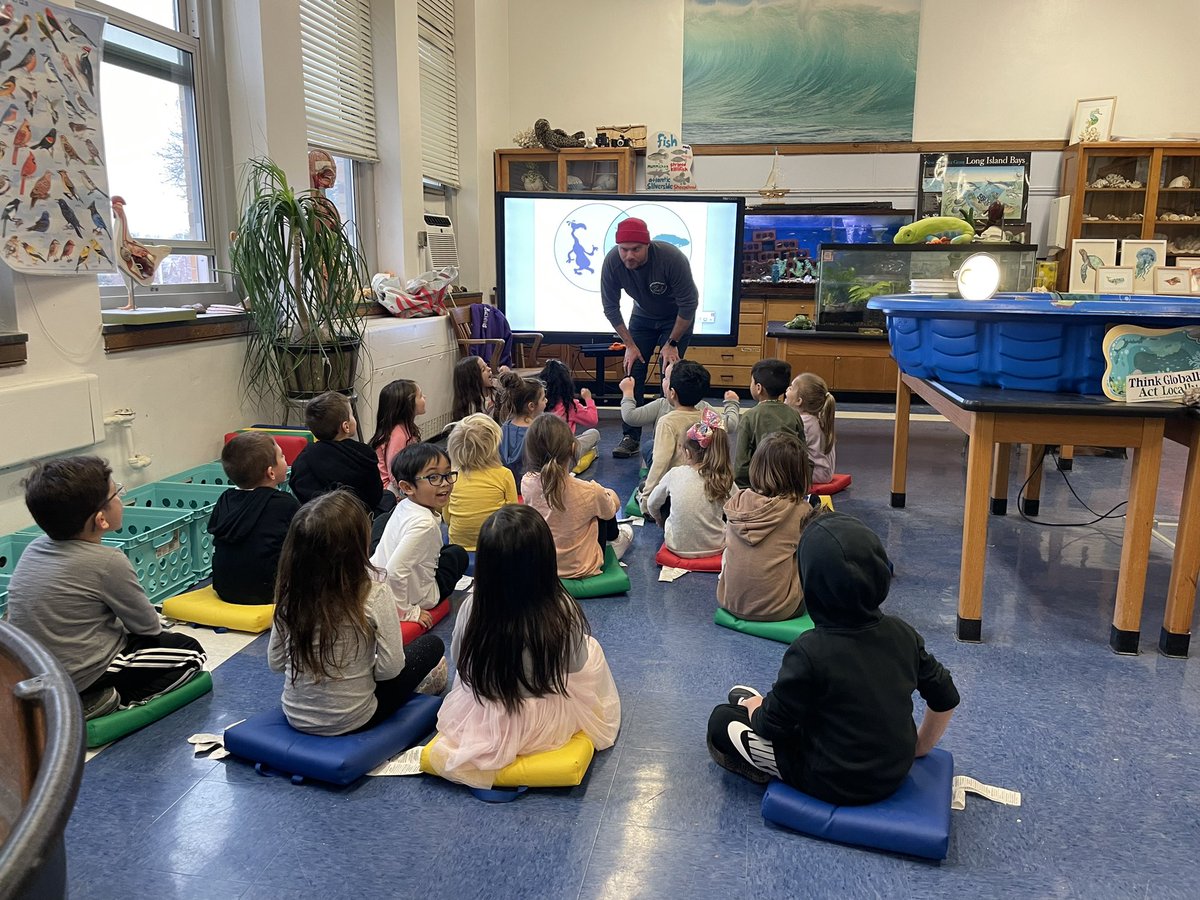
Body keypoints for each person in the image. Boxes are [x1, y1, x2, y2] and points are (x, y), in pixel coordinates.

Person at [706, 513, 960, 805]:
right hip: (895, 767)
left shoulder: (810, 650)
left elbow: (771, 726)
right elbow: (946, 696)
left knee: (722, 720)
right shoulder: (904, 633)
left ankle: (762, 731)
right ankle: (760, 703)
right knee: (770, 702)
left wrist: (756, 709)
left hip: (832, 780)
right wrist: (919, 747)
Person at [427, 504, 621, 788]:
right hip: (544, 725)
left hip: (484, 716)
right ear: (544, 559)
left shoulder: (472, 606)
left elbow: (461, 663)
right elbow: (576, 665)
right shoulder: (561, 609)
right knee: (592, 649)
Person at [7, 457, 206, 718]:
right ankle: (105, 700)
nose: (122, 498)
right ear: (101, 519)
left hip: (34, 671)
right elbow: (147, 627)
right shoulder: (108, 562)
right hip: (84, 674)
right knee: (191, 653)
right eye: (117, 493)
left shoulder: (33, 548)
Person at [268, 491, 447, 736]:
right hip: (356, 717)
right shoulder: (373, 591)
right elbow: (391, 669)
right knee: (431, 646)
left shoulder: (290, 591)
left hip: (295, 714)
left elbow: (276, 662)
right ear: (357, 545)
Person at [600, 216, 700, 459]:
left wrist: (672, 343)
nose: (629, 255)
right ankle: (630, 437)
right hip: (642, 318)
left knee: (669, 373)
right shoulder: (613, 262)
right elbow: (611, 308)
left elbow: (689, 305)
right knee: (633, 370)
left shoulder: (670, 258)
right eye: (624, 249)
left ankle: (664, 433)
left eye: (636, 249)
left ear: (648, 245)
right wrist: (630, 345)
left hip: (676, 319)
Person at [718, 432, 817, 622]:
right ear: (801, 473)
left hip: (729, 601)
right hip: (780, 609)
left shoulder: (737, 502)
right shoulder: (801, 510)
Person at [521, 414, 631, 578]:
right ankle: (615, 543)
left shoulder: (527, 483)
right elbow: (610, 511)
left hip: (545, 564)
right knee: (608, 511)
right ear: (573, 449)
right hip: (583, 566)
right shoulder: (590, 491)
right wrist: (611, 495)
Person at [370, 443, 469, 625]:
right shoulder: (424, 526)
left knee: (383, 522)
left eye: (447, 474)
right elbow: (394, 573)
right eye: (433, 477)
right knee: (457, 554)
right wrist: (407, 613)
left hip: (376, 582)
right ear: (407, 487)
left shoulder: (405, 504)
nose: (445, 483)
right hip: (413, 596)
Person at [208, 433, 300, 604]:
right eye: (282, 456)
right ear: (271, 473)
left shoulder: (225, 498)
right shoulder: (285, 504)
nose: (285, 459)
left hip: (224, 588)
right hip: (269, 591)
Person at [646, 409, 735, 558]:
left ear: (687, 453)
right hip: (716, 547)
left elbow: (651, 504)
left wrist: (659, 519)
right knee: (722, 504)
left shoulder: (674, 473)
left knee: (665, 498)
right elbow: (738, 508)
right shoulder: (723, 476)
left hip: (676, 547)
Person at [619, 363, 741, 468]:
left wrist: (628, 392)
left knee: (649, 446)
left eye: (666, 378)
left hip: (666, 468)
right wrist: (732, 403)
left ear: (673, 390)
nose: (663, 380)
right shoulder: (704, 408)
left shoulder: (662, 405)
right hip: (696, 465)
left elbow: (630, 417)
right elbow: (730, 425)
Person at [290, 391, 387, 515]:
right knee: (388, 497)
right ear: (346, 426)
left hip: (316, 520)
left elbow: (298, 488)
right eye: (352, 414)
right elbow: (375, 495)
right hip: (358, 519)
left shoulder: (305, 457)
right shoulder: (363, 454)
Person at [637, 359, 710, 513]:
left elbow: (660, 464)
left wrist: (646, 501)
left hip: (677, 492)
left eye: (666, 379)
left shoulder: (667, 422)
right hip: (706, 487)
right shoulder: (708, 417)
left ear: (672, 392)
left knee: (645, 486)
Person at [444, 413, 518, 551]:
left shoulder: (452, 476)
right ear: (494, 446)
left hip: (458, 544)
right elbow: (512, 515)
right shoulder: (504, 474)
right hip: (496, 543)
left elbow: (447, 517)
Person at [734, 358, 806, 489]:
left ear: (758, 388)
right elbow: (803, 451)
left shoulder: (749, 417)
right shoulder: (794, 414)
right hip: (791, 484)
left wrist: (743, 490)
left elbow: (741, 463)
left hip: (760, 485)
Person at [539, 358, 600, 458]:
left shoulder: (539, 405)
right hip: (565, 456)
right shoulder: (570, 406)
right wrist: (588, 399)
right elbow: (592, 421)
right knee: (594, 433)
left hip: (541, 454)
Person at [370, 379, 423, 492]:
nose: (425, 398)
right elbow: (394, 473)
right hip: (390, 490)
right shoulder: (397, 435)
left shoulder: (405, 427)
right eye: (421, 396)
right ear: (409, 404)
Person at [786, 372, 837, 485]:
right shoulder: (817, 418)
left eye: (791, 388)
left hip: (816, 474)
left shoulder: (804, 422)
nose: (787, 389)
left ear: (799, 401)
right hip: (824, 473)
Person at [498, 376, 547, 486]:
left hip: (508, 483)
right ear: (531, 406)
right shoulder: (539, 431)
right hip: (532, 486)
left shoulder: (504, 428)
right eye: (543, 399)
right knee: (592, 434)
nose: (546, 401)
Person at [451, 356, 497, 423]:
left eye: (487, 365)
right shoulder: (471, 408)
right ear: (473, 380)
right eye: (483, 370)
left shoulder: (495, 390)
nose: (489, 369)